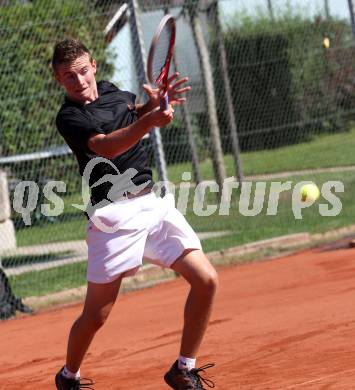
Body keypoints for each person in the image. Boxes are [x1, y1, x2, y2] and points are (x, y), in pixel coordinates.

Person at [52, 38, 218, 390]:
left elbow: (137, 114)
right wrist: (151, 121)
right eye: (69, 76)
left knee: (206, 280)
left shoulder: (115, 93)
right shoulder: (69, 117)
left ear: (93, 66)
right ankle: (69, 377)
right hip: (112, 218)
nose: (79, 81)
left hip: (152, 204)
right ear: (58, 80)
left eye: (83, 71)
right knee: (96, 316)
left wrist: (157, 105)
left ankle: (183, 369)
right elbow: (107, 147)